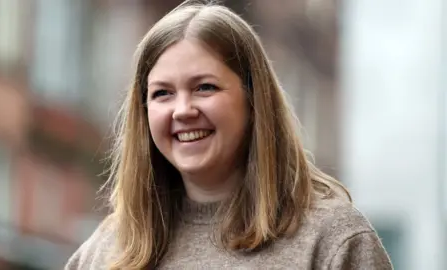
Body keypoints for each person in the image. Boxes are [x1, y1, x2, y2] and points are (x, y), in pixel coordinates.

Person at [65, 1, 393, 269]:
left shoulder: (334, 241)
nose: (182, 110)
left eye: (204, 87)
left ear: (254, 101)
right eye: (162, 93)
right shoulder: (105, 252)